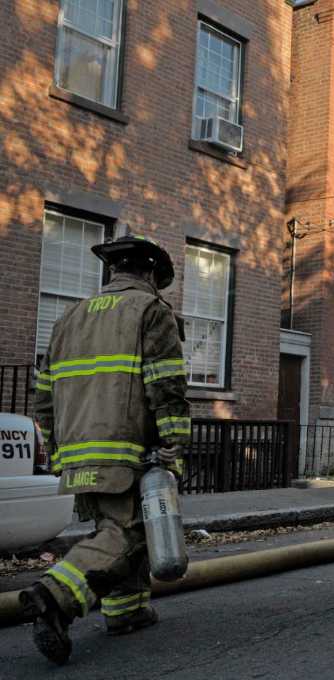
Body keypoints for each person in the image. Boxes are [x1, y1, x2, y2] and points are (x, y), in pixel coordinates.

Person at [21, 235, 190, 665]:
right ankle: (55, 595)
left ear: (113, 272)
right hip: (125, 449)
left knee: (115, 530)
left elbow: (42, 395)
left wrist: (56, 450)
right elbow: (166, 387)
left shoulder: (68, 318)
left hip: (76, 452)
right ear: (150, 273)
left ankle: (125, 612)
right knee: (129, 532)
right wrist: (173, 446)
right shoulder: (151, 312)